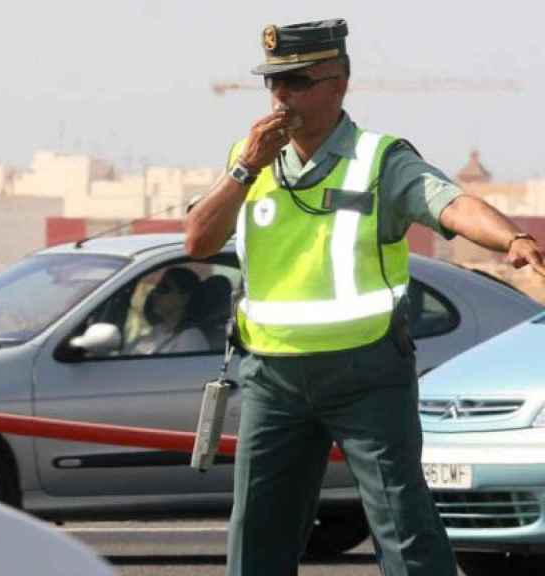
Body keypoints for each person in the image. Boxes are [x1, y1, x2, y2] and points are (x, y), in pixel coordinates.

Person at [184, 18, 545, 576]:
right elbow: (199, 240)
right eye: (274, 83)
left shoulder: (379, 160)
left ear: (339, 83)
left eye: (298, 80)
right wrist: (245, 167)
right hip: (273, 378)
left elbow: (450, 203)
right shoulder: (249, 161)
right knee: (257, 533)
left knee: (403, 527)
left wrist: (513, 239)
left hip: (365, 375)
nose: (283, 95)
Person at [127, 267, 207, 355]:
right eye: (156, 289)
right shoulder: (157, 331)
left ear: (184, 298)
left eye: (164, 288)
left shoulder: (190, 338)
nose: (155, 294)